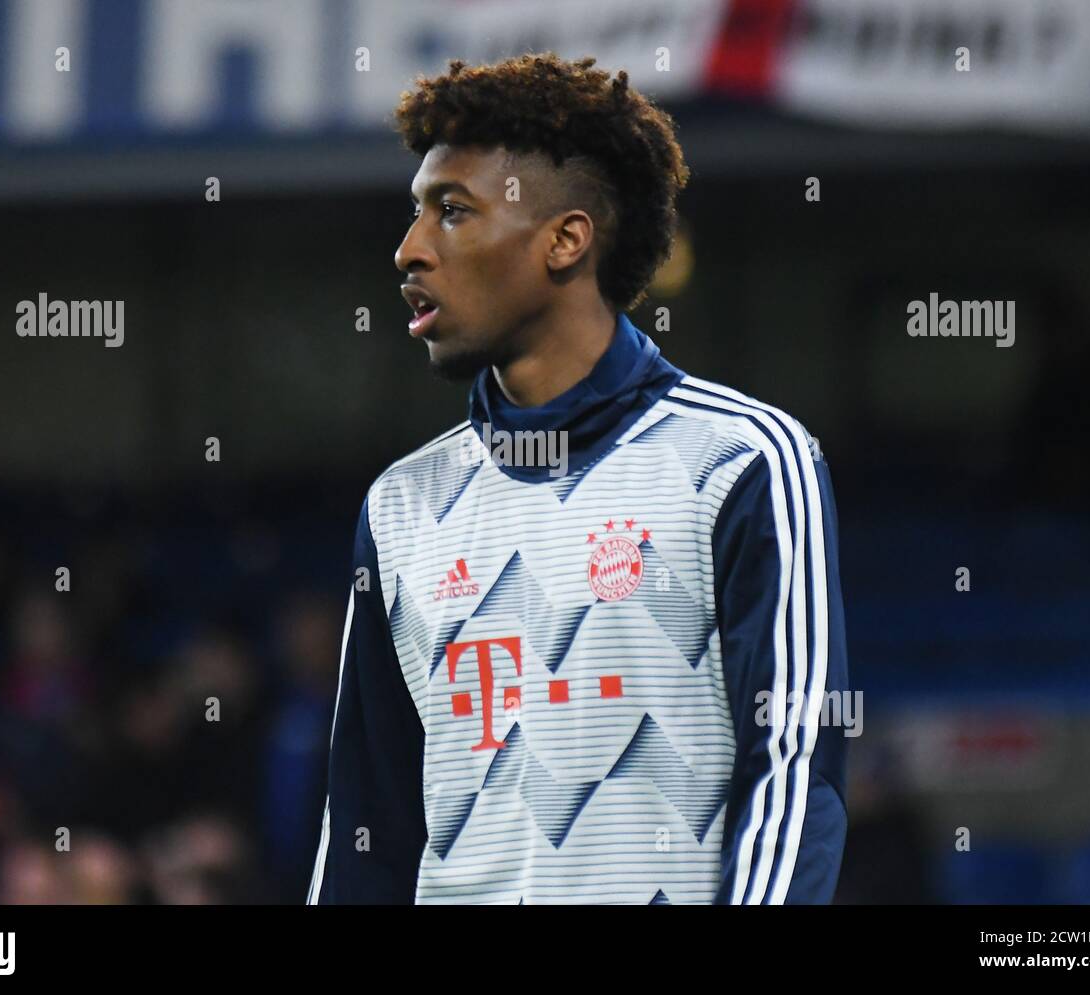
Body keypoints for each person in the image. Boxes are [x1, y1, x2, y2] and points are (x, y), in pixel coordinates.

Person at [308, 52, 848, 904]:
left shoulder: (744, 461)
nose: (409, 249)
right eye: (415, 214)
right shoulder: (400, 506)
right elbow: (365, 828)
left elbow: (791, 770)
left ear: (564, 240)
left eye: (451, 212)